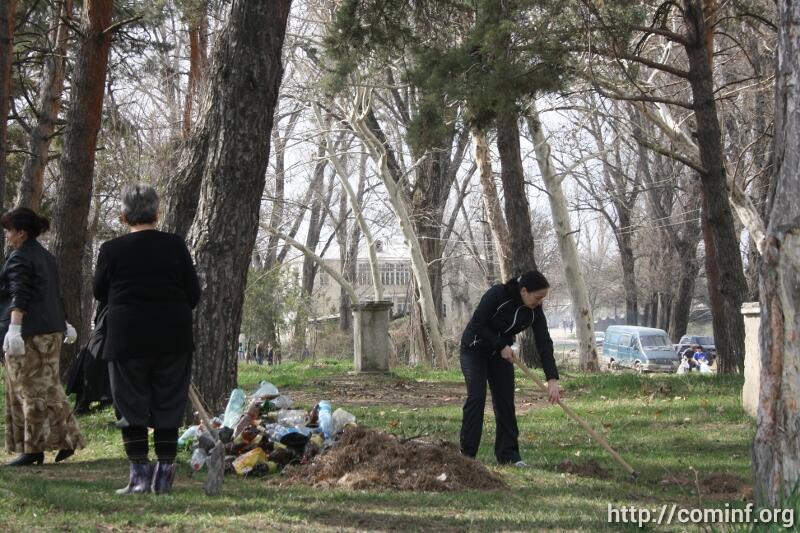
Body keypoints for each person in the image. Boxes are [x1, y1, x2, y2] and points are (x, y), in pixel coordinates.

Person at [93, 184, 200, 495]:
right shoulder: (175, 245)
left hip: (127, 337)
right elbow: (193, 293)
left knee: (130, 405)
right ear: (156, 213)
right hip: (173, 335)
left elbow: (99, 291)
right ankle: (164, 477)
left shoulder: (111, 249)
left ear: (124, 216)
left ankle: (139, 476)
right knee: (169, 403)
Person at [0, 208, 84, 466]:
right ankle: (68, 438)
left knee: (27, 388)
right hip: (51, 329)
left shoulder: (20, 258)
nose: (7, 235)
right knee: (49, 386)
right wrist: (64, 321)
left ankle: (33, 448)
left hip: (28, 332)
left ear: (21, 233)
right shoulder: (45, 256)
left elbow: (19, 294)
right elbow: (53, 293)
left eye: (9, 230)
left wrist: (14, 328)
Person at [459, 270, 560, 467]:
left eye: (543, 298)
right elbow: (478, 323)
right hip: (474, 349)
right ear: (524, 291)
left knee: (505, 401)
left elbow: (544, 342)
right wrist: (500, 345)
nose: (540, 302)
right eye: (537, 297)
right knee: (477, 397)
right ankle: (467, 456)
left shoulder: (534, 311)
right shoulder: (498, 294)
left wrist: (552, 379)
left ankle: (509, 455)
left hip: (501, 354)